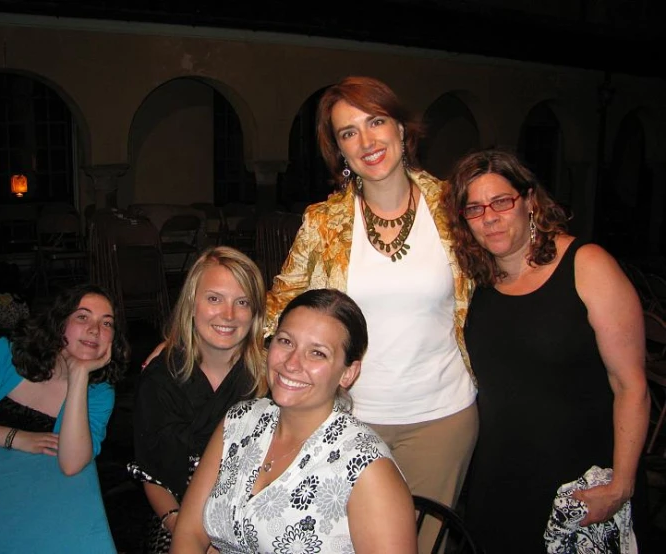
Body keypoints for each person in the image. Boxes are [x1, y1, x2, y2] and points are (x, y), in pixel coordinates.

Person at [264, 76, 478, 549]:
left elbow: (507, 266)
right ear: (340, 151)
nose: (366, 141)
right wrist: (202, 345)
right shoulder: (323, 223)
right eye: (348, 132)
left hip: (441, 419)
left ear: (402, 130)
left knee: (421, 547)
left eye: (376, 122)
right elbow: (279, 306)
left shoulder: (454, 208)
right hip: (348, 418)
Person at [444, 148, 651, 553]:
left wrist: (621, 485)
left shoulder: (587, 265)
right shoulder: (478, 281)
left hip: (578, 477)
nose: (490, 217)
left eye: (501, 202)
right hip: (501, 476)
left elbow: (631, 385)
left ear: (529, 201)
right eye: (474, 209)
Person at [172, 288, 417, 554]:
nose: (291, 363)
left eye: (317, 353)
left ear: (348, 373)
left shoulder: (367, 469)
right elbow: (189, 532)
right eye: (286, 342)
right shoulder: (239, 422)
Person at [130, 246, 267, 554]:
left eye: (242, 302)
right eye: (214, 298)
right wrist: (182, 528)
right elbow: (151, 471)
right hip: (176, 510)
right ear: (192, 304)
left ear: (255, 313)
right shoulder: (160, 380)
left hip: (251, 518)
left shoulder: (270, 379)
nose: (228, 315)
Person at [0, 283, 129, 476]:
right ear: (59, 324)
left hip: (35, 482)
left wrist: (78, 376)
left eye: (106, 323)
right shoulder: (6, 356)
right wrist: (16, 438)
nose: (95, 330)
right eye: (83, 317)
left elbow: (72, 464)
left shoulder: (99, 391)